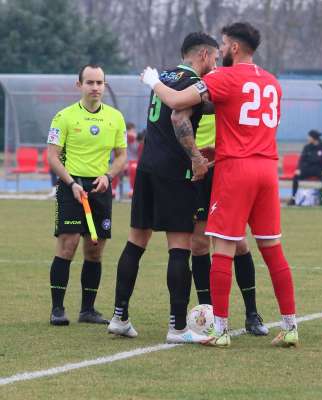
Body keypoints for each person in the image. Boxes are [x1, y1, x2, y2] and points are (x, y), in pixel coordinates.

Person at [142, 22, 298, 348]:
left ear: (234, 48)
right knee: (273, 250)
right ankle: (290, 325)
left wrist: (154, 81)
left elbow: (176, 101)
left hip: (236, 171)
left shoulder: (222, 77)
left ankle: (221, 331)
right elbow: (245, 120)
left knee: (223, 248)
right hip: (268, 169)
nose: (220, 52)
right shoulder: (273, 83)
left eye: (223, 45)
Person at [107, 32, 219, 344]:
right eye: (216, 57)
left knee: (136, 241)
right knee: (179, 245)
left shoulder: (167, 75)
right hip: (174, 170)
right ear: (205, 55)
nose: (217, 62)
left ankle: (119, 316)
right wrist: (196, 157)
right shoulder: (193, 81)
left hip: (146, 167)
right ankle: (178, 327)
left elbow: (198, 108)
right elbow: (179, 116)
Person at [47, 64, 127, 326]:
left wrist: (107, 176)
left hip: (100, 189)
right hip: (71, 187)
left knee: (94, 250)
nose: (95, 87)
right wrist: (71, 183)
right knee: (67, 246)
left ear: (105, 85)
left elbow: (121, 156)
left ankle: (88, 310)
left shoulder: (115, 117)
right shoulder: (64, 117)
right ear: (78, 85)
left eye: (99, 83)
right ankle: (57, 309)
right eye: (90, 82)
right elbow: (52, 156)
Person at [191, 114, 268, 336]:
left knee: (239, 243)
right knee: (199, 244)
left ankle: (252, 314)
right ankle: (208, 314)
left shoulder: (227, 86)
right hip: (196, 170)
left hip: (225, 170)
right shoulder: (186, 90)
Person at [287, 130, 322, 205]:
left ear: (314, 138)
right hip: (307, 169)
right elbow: (301, 160)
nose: (308, 138)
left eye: (309, 137)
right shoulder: (306, 147)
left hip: (318, 170)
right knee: (296, 176)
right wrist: (298, 169)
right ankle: (293, 198)